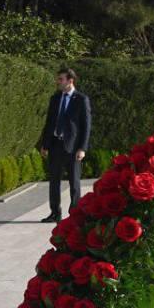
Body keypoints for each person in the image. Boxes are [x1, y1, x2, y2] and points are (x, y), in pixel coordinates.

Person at [38, 68, 92, 222]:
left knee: (74, 183)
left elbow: (86, 126)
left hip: (73, 148)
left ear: (70, 81)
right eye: (58, 79)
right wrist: (45, 145)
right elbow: (49, 123)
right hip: (55, 145)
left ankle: (75, 215)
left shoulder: (81, 99)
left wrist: (82, 148)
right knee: (53, 181)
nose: (58, 82)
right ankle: (55, 213)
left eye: (61, 79)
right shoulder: (55, 98)